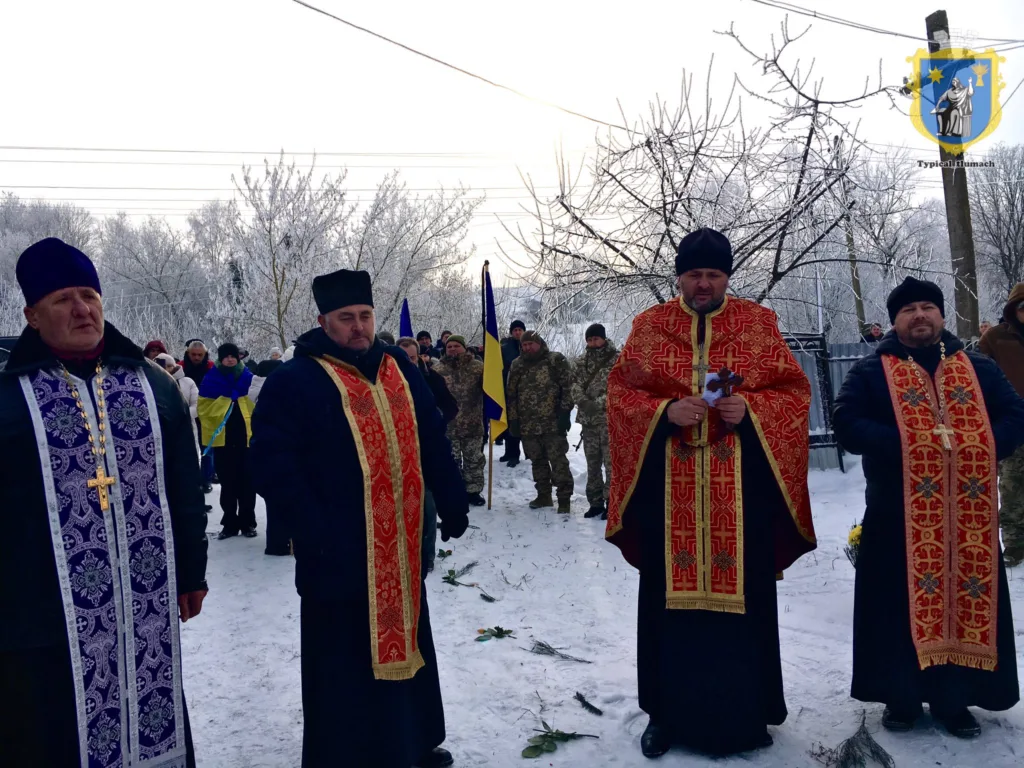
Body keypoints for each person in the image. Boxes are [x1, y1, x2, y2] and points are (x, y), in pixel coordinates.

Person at [605, 227, 817, 758]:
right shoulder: (650, 327)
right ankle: (664, 713)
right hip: (667, 493)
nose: (704, 283)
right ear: (680, 276)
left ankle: (746, 712)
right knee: (665, 606)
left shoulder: (758, 324)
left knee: (742, 603)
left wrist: (753, 411)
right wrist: (662, 412)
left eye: (714, 274)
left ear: (727, 276)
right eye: (695, 274)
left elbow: (793, 393)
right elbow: (619, 393)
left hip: (739, 494)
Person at [0, 237, 208, 767]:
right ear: (31, 315)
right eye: (63, 299)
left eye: (89, 295)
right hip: (41, 607)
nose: (82, 309)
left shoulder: (152, 386)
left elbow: (183, 485)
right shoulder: (9, 397)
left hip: (145, 602)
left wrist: (192, 571)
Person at [250, 268, 469, 768]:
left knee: (409, 642)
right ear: (323, 320)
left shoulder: (397, 367)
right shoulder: (296, 379)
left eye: (365, 316)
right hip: (337, 553)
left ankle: (411, 743)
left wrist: (452, 498)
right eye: (346, 317)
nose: (358, 327)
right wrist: (314, 531)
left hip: (400, 546)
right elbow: (272, 464)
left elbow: (431, 434)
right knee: (343, 661)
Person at [834, 276, 1024, 739]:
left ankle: (954, 700)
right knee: (894, 606)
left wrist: (978, 445)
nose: (919, 316)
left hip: (968, 518)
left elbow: (1015, 415)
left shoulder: (976, 366)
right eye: (908, 310)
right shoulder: (871, 370)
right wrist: (903, 443)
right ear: (895, 320)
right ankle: (900, 699)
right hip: (895, 516)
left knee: (962, 602)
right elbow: (845, 419)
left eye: (927, 307)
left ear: (940, 315)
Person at [399, 335, 458, 572]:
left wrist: (434, 420)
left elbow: (450, 407)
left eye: (412, 358)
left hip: (425, 452)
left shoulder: (431, 378)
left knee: (427, 507)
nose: (408, 362)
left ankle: (426, 557)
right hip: (397, 457)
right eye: (403, 358)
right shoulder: (385, 381)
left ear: (419, 357)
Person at [198, 343, 263, 540]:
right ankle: (229, 524)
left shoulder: (248, 377)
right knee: (228, 484)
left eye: (233, 356)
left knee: (247, 483)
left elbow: (258, 401)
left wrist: (239, 399)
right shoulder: (212, 378)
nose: (230, 359)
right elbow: (203, 409)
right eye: (226, 356)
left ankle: (248, 523)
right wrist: (226, 400)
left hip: (246, 439)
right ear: (220, 358)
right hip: (223, 441)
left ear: (238, 357)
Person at [506, 330, 575, 513]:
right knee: (537, 461)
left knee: (558, 461)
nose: (528, 348)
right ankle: (544, 496)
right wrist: (513, 420)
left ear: (539, 343)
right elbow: (511, 394)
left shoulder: (555, 360)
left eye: (531, 344)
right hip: (528, 424)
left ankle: (564, 499)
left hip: (553, 423)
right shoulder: (517, 365)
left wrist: (564, 414)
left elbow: (568, 388)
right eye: (524, 345)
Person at [980, 285, 1024, 566]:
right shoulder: (995, 338)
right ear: (1013, 309)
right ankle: (1015, 545)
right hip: (1012, 424)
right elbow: (979, 376)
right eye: (1022, 307)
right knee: (1011, 487)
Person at [571, 323, 619, 519]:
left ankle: (612, 503)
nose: (593, 343)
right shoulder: (580, 362)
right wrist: (582, 401)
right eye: (589, 340)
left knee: (611, 464)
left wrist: (598, 403)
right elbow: (573, 384)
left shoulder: (617, 359)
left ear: (604, 338)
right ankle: (595, 503)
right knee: (592, 464)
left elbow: (619, 387)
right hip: (589, 422)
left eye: (596, 339)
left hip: (610, 421)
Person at [434, 335, 487, 506]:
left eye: (456, 346)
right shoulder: (437, 369)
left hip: (472, 424)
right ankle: (455, 492)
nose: (452, 349)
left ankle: (473, 492)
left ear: (464, 347)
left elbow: (491, 391)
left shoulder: (478, 368)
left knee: (474, 460)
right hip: (448, 426)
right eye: (449, 346)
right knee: (451, 461)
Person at [183, 339, 216, 491]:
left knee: (207, 447)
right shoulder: (181, 368)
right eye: (193, 354)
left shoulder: (211, 368)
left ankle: (206, 479)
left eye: (200, 355)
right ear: (188, 354)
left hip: (207, 412)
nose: (196, 358)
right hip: (187, 411)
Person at [499, 320, 526, 466]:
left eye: (520, 330)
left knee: (522, 424)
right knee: (509, 423)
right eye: (515, 330)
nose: (517, 332)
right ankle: (509, 452)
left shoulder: (529, 345)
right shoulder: (505, 346)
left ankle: (523, 454)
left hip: (525, 392)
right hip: (508, 390)